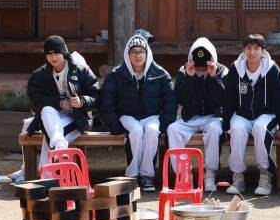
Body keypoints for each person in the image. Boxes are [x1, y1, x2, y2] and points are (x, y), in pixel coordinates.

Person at [98, 34, 176, 192]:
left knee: (152, 131)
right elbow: (106, 103)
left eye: (141, 51)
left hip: (152, 116)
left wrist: (164, 124)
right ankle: (133, 175)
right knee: (136, 131)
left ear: (147, 53)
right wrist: (114, 125)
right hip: (127, 116)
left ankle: (146, 175)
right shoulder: (116, 75)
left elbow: (170, 103)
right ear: (128, 54)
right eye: (134, 51)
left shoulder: (161, 74)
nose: (138, 55)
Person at [223, 34, 280, 196]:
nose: (252, 52)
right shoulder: (235, 69)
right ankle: (238, 177)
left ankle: (265, 174)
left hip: (266, 114)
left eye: (256, 48)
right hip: (242, 114)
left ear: (263, 51)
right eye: (248, 48)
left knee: (260, 128)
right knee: (237, 128)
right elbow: (229, 99)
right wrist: (225, 125)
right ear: (243, 50)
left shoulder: (272, 69)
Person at [26, 36, 99, 168]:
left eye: (56, 53)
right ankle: (60, 150)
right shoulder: (39, 75)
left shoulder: (81, 70)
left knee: (51, 135)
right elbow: (35, 99)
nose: (53, 58)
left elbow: (96, 95)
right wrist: (58, 103)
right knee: (47, 110)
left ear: (64, 52)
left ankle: (48, 173)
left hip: (77, 117)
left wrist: (81, 101)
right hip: (52, 116)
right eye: (49, 54)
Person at [166, 37, 227, 192]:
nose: (201, 69)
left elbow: (222, 99)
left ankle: (210, 174)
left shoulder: (222, 70)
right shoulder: (184, 70)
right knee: (173, 129)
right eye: (198, 66)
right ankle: (184, 175)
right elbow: (181, 99)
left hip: (213, 116)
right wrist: (190, 78)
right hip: (190, 117)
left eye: (203, 67)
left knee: (215, 129)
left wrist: (213, 78)